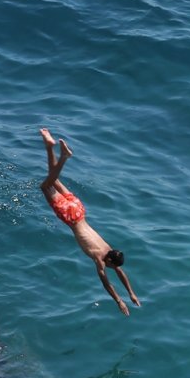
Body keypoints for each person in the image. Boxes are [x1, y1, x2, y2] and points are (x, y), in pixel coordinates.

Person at [38, 128, 141, 316]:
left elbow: (119, 273)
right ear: (108, 259)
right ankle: (62, 157)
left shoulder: (108, 248)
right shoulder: (100, 258)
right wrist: (119, 301)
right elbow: (106, 282)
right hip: (70, 216)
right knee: (45, 185)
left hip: (80, 210)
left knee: (54, 180)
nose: (111, 268)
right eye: (111, 265)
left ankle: (49, 147)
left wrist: (131, 294)